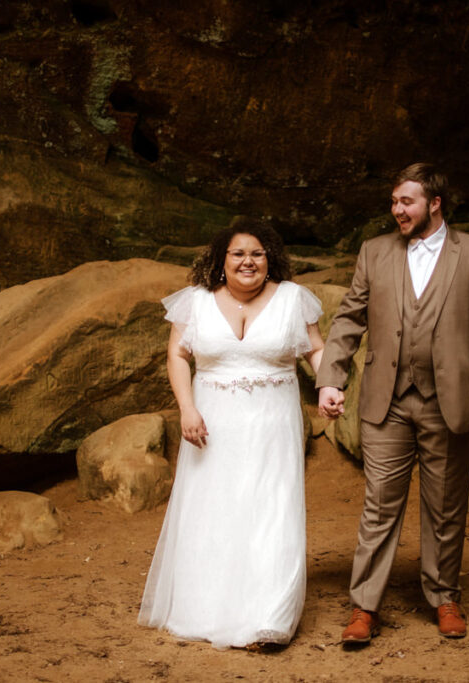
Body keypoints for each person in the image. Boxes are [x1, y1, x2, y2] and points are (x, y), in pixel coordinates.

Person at [316, 163, 469, 644]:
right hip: (385, 402)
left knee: (446, 506)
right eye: (393, 202)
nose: (396, 211)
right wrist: (331, 377)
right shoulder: (375, 252)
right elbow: (348, 319)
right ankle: (364, 607)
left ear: (434, 203)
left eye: (405, 202)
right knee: (379, 506)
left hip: (449, 404)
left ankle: (445, 597)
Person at [139, 221, 325, 650]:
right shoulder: (196, 302)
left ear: (270, 259)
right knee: (214, 510)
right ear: (221, 260)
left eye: (257, 254)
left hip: (272, 424)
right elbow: (178, 354)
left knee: (271, 509)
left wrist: (328, 384)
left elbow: (315, 348)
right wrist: (187, 408)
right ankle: (205, 608)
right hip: (211, 424)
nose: (248, 261)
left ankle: (270, 617)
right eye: (238, 253)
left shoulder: (293, 299)